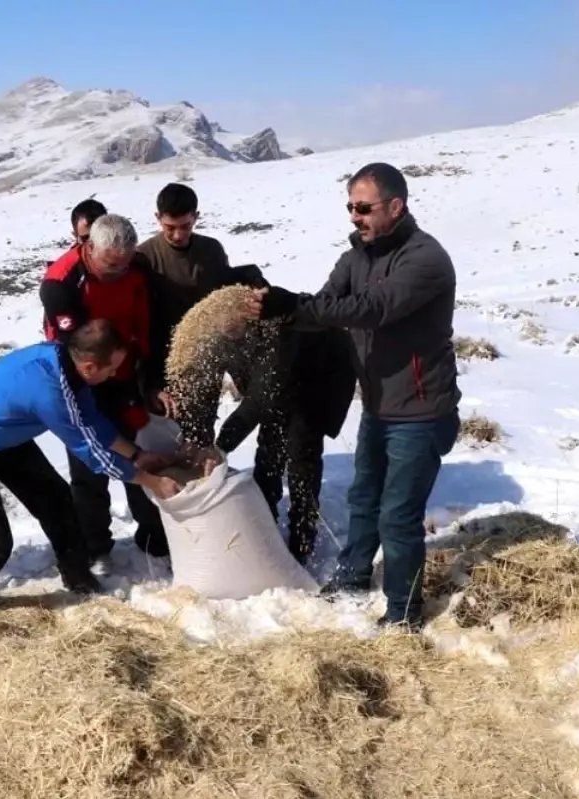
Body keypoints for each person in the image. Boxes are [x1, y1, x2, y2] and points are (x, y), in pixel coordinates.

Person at [246, 162, 462, 629]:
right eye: (350, 207)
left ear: (395, 206)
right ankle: (352, 576)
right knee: (364, 498)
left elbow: (373, 309)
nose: (354, 217)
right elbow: (326, 307)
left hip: (421, 410)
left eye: (363, 208)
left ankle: (403, 612)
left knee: (399, 516)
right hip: (380, 404)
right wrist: (280, 308)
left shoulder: (425, 259)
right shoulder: (355, 256)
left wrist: (298, 304)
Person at [0, 319, 183, 611]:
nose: (114, 374)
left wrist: (137, 455)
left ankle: (79, 581)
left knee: (58, 502)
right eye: (111, 367)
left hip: (5, 437)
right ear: (89, 366)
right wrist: (153, 482)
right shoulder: (50, 392)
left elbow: (92, 422)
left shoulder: (69, 366)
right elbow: (93, 454)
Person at [40, 214, 169, 563]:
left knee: (137, 453)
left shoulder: (136, 270)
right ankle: (95, 546)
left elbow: (150, 323)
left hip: (125, 376)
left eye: (124, 265)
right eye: (111, 266)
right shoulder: (61, 282)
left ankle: (154, 538)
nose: (118, 272)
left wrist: (148, 376)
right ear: (90, 247)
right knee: (89, 468)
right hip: (83, 382)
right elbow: (73, 346)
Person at [214, 322, 356, 565]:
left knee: (301, 454)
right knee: (269, 453)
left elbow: (259, 399)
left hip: (319, 377)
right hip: (279, 383)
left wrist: (219, 447)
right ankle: (263, 528)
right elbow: (256, 391)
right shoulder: (220, 336)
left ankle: (303, 538)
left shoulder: (276, 330)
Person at [136, 181, 263, 442]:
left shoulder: (211, 251)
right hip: (164, 365)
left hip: (207, 359)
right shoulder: (144, 258)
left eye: (186, 226)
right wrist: (150, 383)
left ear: (196, 217)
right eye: (170, 228)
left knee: (202, 434)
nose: (178, 235)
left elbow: (224, 294)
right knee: (169, 441)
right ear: (158, 218)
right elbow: (139, 323)